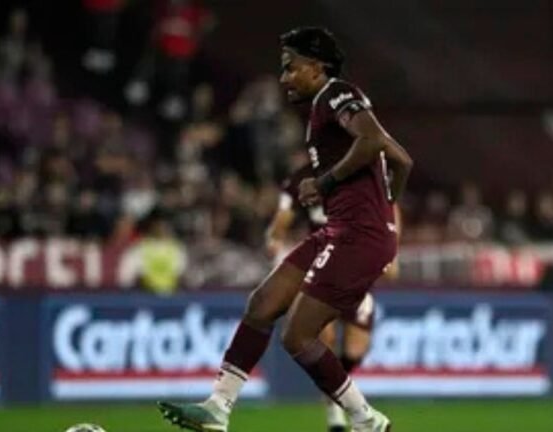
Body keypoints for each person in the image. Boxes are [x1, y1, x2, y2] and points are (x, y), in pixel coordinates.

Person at [158, 26, 413, 432]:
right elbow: (401, 160)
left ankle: (366, 421)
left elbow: (371, 141)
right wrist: (385, 209)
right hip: (343, 230)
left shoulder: (336, 93)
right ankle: (218, 407)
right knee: (262, 304)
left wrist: (328, 185)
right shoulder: (325, 109)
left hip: (356, 235)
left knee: (298, 336)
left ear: (317, 67)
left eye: (291, 67)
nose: (284, 78)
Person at [267, 163, 399, 432]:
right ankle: (336, 414)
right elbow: (282, 219)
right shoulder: (302, 177)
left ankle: (338, 393)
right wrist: (276, 244)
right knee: (323, 340)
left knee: (355, 349)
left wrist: (393, 248)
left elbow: (391, 205)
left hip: (356, 268)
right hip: (322, 267)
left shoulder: (361, 170)